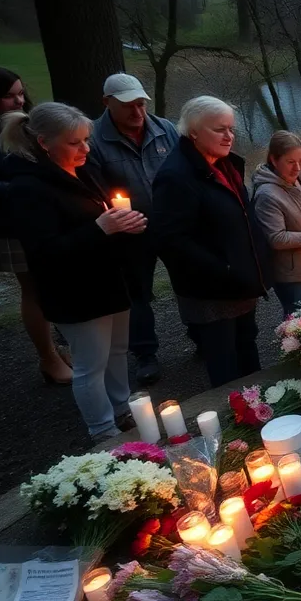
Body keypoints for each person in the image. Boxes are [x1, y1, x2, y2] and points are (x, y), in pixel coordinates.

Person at [1, 102, 148, 441]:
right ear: (43, 142)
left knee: (117, 351)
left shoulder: (82, 170)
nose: (85, 149)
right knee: (89, 364)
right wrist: (101, 228)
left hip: (109, 280)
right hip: (75, 291)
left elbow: (103, 218)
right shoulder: (28, 189)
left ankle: (122, 408)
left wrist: (125, 225)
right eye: (74, 142)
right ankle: (103, 430)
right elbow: (43, 251)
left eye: (86, 140)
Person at [153, 96, 270, 388]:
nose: (229, 136)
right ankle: (237, 422)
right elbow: (171, 240)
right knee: (225, 361)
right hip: (212, 292)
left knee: (247, 347)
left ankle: (265, 414)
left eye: (231, 129)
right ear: (193, 131)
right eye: (220, 129)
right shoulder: (176, 176)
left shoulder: (226, 164)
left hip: (239, 283)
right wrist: (225, 269)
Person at [0, 65, 72, 383]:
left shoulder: (28, 123)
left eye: (21, 93)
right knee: (35, 289)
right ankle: (48, 357)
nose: (19, 101)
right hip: (11, 222)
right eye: (8, 96)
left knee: (60, 282)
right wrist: (25, 190)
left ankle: (67, 347)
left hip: (46, 214)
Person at [87, 73, 181, 385]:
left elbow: (183, 169)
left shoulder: (164, 128)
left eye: (140, 104)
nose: (137, 112)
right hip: (131, 233)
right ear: (107, 103)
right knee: (137, 292)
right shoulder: (95, 140)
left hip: (171, 223)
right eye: (128, 106)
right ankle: (145, 353)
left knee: (190, 277)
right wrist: (116, 217)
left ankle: (202, 335)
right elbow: (94, 189)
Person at [252, 131, 301, 316]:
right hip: (291, 274)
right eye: (290, 162)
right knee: (299, 323)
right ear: (274, 159)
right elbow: (276, 238)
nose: (297, 168)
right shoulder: (266, 194)